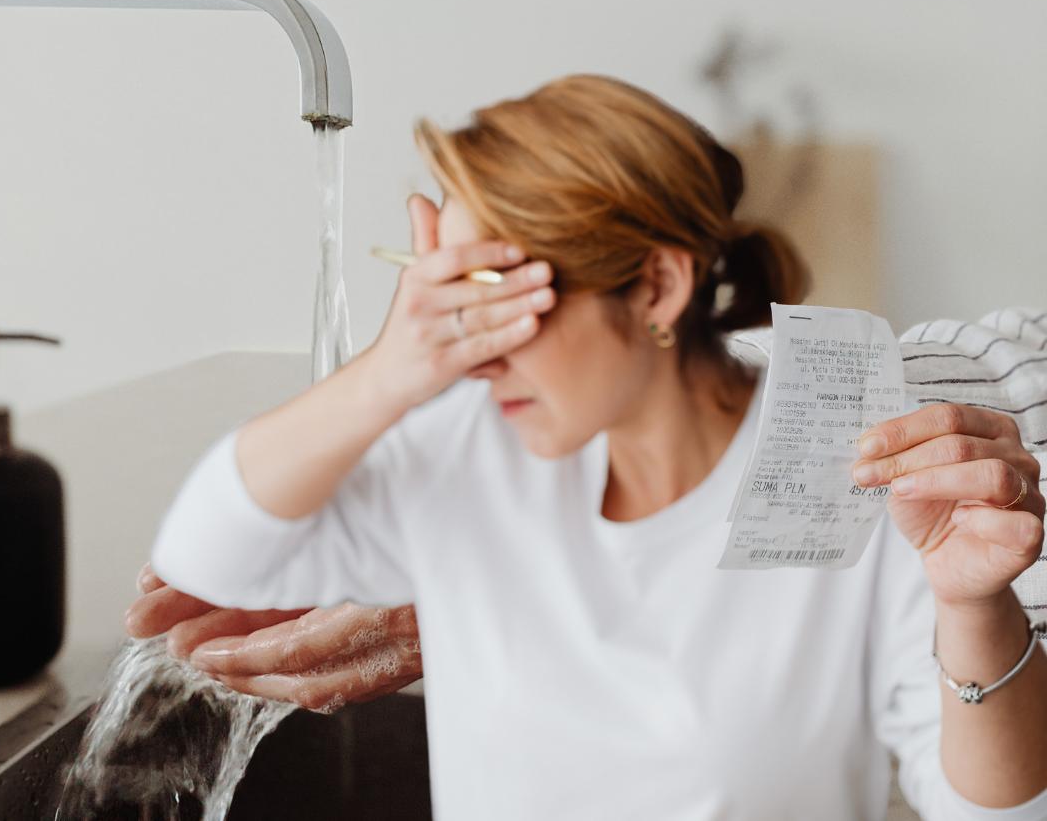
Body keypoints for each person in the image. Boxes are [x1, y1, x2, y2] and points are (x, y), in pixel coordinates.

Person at [127, 74, 1047, 819]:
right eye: (453, 302)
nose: (478, 358)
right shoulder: (474, 459)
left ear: (654, 288)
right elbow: (217, 554)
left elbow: (994, 808)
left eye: (505, 300)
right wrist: (389, 371)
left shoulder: (872, 505)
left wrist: (973, 605)